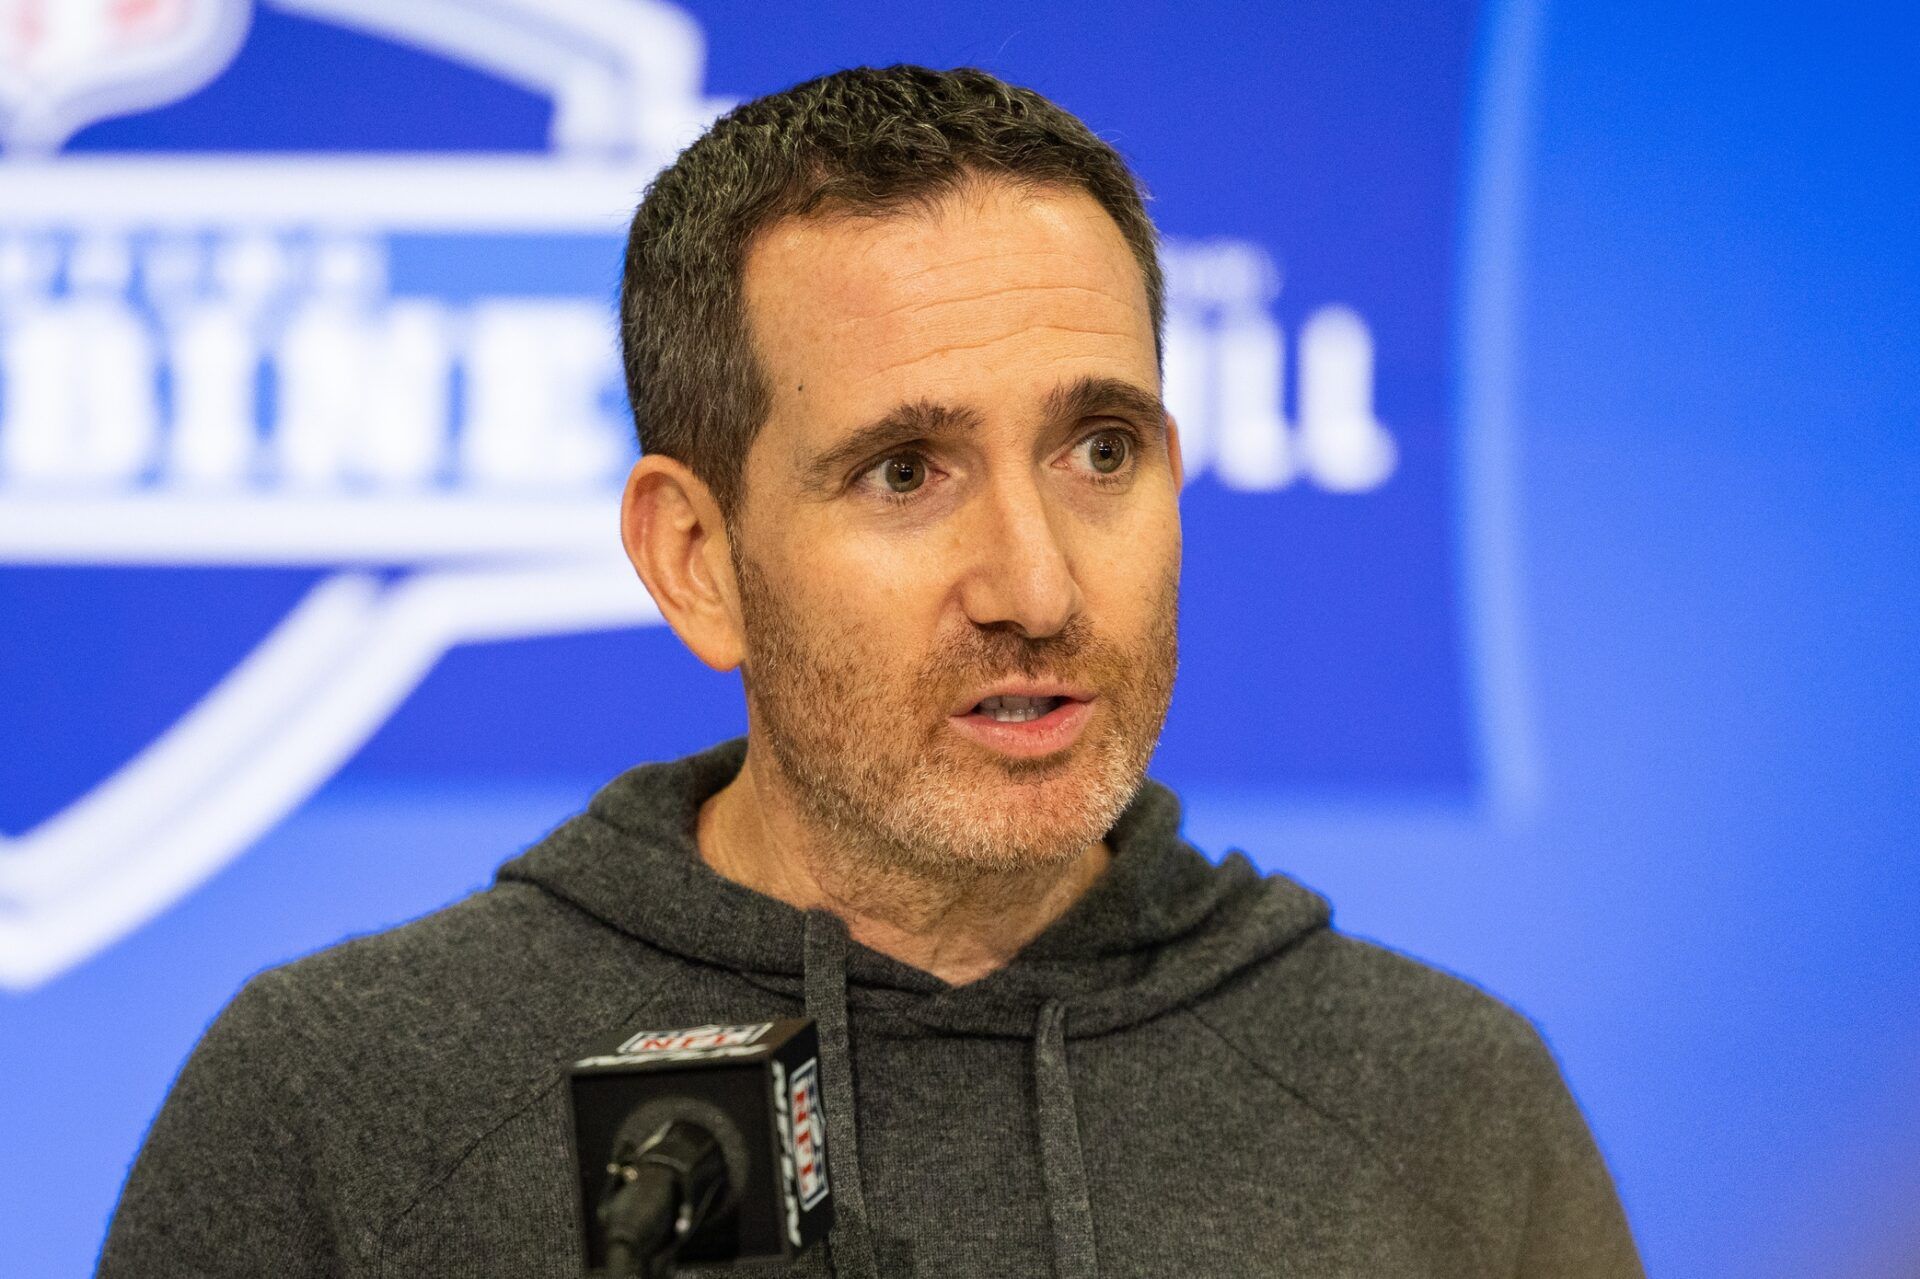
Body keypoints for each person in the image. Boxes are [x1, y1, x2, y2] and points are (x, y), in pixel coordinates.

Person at [98, 66, 1642, 1277]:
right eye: (906, 472)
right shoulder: (340, 1102)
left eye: (1099, 451)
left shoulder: (1445, 1102)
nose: (1035, 587)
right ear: (697, 558)